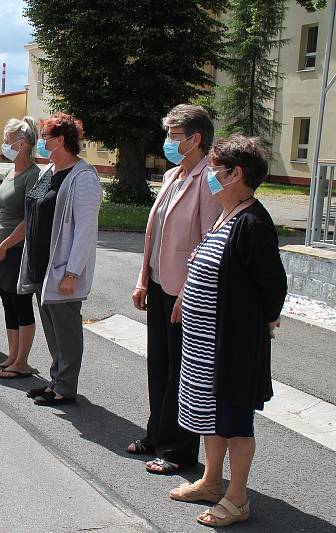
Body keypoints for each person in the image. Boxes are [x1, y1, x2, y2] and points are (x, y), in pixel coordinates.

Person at [169, 135, 287, 528]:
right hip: (204, 344)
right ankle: (211, 481)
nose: (209, 176)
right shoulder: (227, 214)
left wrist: (261, 322)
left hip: (232, 347)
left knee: (234, 422)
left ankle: (237, 499)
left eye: (216, 169)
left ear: (236, 174)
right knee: (209, 415)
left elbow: (273, 287)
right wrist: (186, 298)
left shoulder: (253, 223)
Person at [129, 104, 221, 475]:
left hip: (185, 290)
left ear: (195, 139)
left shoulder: (209, 180)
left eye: (174, 135)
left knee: (181, 371)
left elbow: (207, 242)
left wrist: (187, 292)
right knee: (159, 365)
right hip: (158, 281)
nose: (167, 141)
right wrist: (142, 278)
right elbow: (154, 232)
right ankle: (156, 434)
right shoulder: (172, 176)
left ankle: (179, 450)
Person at [18, 113, 102, 405]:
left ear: (62, 140)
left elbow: (86, 230)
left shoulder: (83, 177)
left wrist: (73, 272)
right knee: (52, 329)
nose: (41, 142)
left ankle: (65, 387)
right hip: (41, 265)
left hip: (63, 270)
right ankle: (56, 380)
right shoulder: (48, 170)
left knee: (66, 331)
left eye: (46, 137)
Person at [0, 116, 40, 378]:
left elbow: (28, 219)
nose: (4, 146)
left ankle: (22, 361)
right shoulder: (10, 172)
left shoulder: (34, 175)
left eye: (7, 141)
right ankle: (12, 356)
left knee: (21, 305)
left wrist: (5, 245)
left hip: (17, 250)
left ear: (22, 144)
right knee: (8, 304)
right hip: (0, 248)